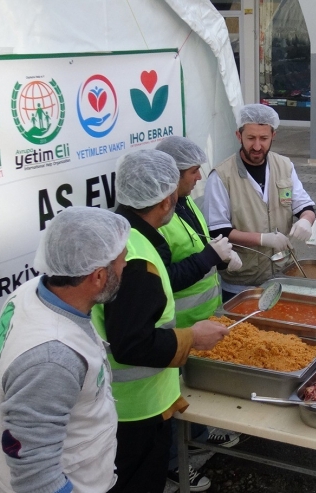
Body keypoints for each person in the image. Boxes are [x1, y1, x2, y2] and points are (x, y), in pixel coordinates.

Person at [92, 149, 230, 493]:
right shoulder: (136, 259)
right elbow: (131, 344)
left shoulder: (124, 234)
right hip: (134, 409)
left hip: (137, 401)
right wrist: (191, 337)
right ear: (168, 199)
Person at [0, 207, 131, 493]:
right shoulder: (53, 358)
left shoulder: (29, 292)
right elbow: (36, 476)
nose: (126, 267)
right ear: (98, 276)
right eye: (122, 261)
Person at [155, 137, 241, 473]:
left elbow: (198, 243)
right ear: (172, 175)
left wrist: (220, 258)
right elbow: (167, 278)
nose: (199, 177)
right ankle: (177, 466)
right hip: (178, 325)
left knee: (196, 391)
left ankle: (200, 434)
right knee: (173, 393)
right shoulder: (159, 218)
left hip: (203, 318)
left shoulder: (184, 201)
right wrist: (210, 256)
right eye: (193, 171)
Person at [202, 104, 316, 300]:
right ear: (239, 136)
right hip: (242, 282)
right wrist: (263, 239)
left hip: (282, 274)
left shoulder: (284, 166)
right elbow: (219, 230)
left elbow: (305, 207)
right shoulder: (222, 176)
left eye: (263, 138)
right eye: (250, 138)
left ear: (273, 135)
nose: (257, 146)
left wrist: (307, 219)